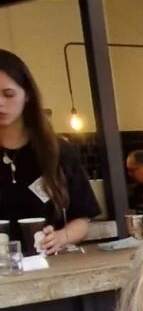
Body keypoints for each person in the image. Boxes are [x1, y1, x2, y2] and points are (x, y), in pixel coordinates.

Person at [0, 49, 98, 252]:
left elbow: (82, 219)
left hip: (47, 269)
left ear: (27, 95)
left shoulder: (57, 151)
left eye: (8, 94)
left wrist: (60, 237)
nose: (0, 103)